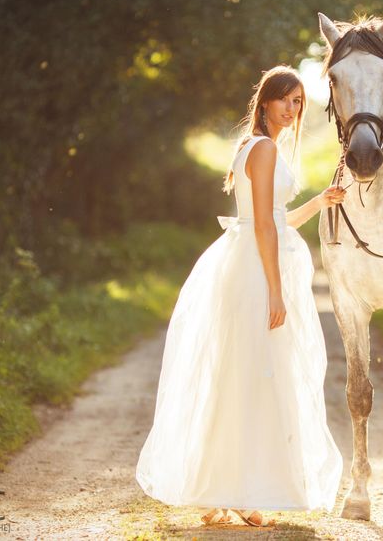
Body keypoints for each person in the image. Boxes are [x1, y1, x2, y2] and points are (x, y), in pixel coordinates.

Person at [135, 65, 345, 528]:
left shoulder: (249, 146)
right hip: (255, 270)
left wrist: (319, 202)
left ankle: (220, 491)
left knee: (237, 374)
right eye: (285, 100)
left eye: (298, 103)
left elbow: (271, 216)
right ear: (265, 101)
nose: (292, 110)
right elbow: (266, 226)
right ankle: (243, 491)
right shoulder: (265, 148)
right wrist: (275, 288)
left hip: (245, 259)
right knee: (255, 376)